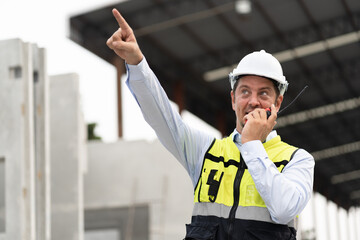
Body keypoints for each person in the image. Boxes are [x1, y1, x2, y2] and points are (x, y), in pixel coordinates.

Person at [107, 8, 314, 240]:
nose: (253, 101)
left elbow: (284, 208)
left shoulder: (298, 160)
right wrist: (136, 62)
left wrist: (253, 143)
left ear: (277, 102)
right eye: (245, 91)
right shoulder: (205, 151)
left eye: (263, 93)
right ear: (233, 99)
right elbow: (161, 116)